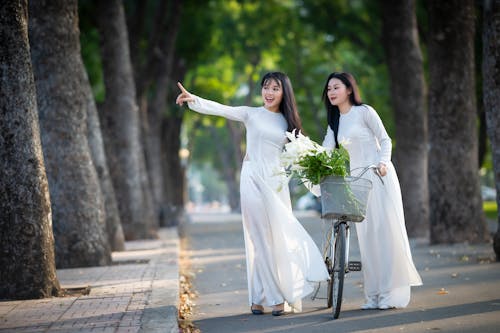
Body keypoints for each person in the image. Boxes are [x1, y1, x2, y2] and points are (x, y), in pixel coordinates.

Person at [176, 72, 329, 316]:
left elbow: (303, 157)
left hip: (277, 183)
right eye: (266, 87)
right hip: (252, 178)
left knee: (276, 239)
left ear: (284, 93)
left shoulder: (289, 124)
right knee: (259, 238)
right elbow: (222, 109)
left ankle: (258, 297)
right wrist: (194, 99)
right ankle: (277, 297)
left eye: (275, 88)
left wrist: (324, 180)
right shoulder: (252, 113)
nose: (269, 92)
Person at [321, 72, 422, 310]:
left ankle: (389, 293)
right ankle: (373, 295)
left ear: (348, 89)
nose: (331, 92)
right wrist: (311, 158)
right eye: (328, 89)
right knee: (367, 240)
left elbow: (385, 139)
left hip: (378, 175)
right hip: (357, 182)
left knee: (383, 234)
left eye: (336, 87)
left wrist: (383, 162)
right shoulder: (335, 121)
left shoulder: (364, 112)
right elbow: (326, 149)